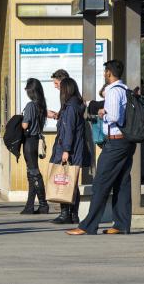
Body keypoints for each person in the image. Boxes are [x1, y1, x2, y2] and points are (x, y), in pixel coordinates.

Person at [68, 59, 136, 235]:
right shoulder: (125, 89)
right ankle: (121, 224)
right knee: (122, 182)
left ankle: (88, 226)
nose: (104, 74)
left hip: (115, 142)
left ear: (109, 73)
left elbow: (114, 116)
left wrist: (101, 113)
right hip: (126, 142)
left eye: (105, 71)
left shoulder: (113, 92)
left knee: (100, 183)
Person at [50, 78, 91, 224]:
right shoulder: (76, 104)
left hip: (68, 148)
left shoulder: (71, 106)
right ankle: (73, 215)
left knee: (65, 180)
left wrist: (66, 150)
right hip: (75, 147)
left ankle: (65, 214)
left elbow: (69, 130)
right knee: (71, 181)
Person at [20, 78, 50, 214]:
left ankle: (43, 205)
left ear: (31, 91)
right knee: (31, 173)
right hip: (35, 140)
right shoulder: (41, 104)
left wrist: (20, 121)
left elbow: (25, 125)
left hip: (30, 141)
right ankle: (29, 205)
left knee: (34, 173)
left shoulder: (31, 105)